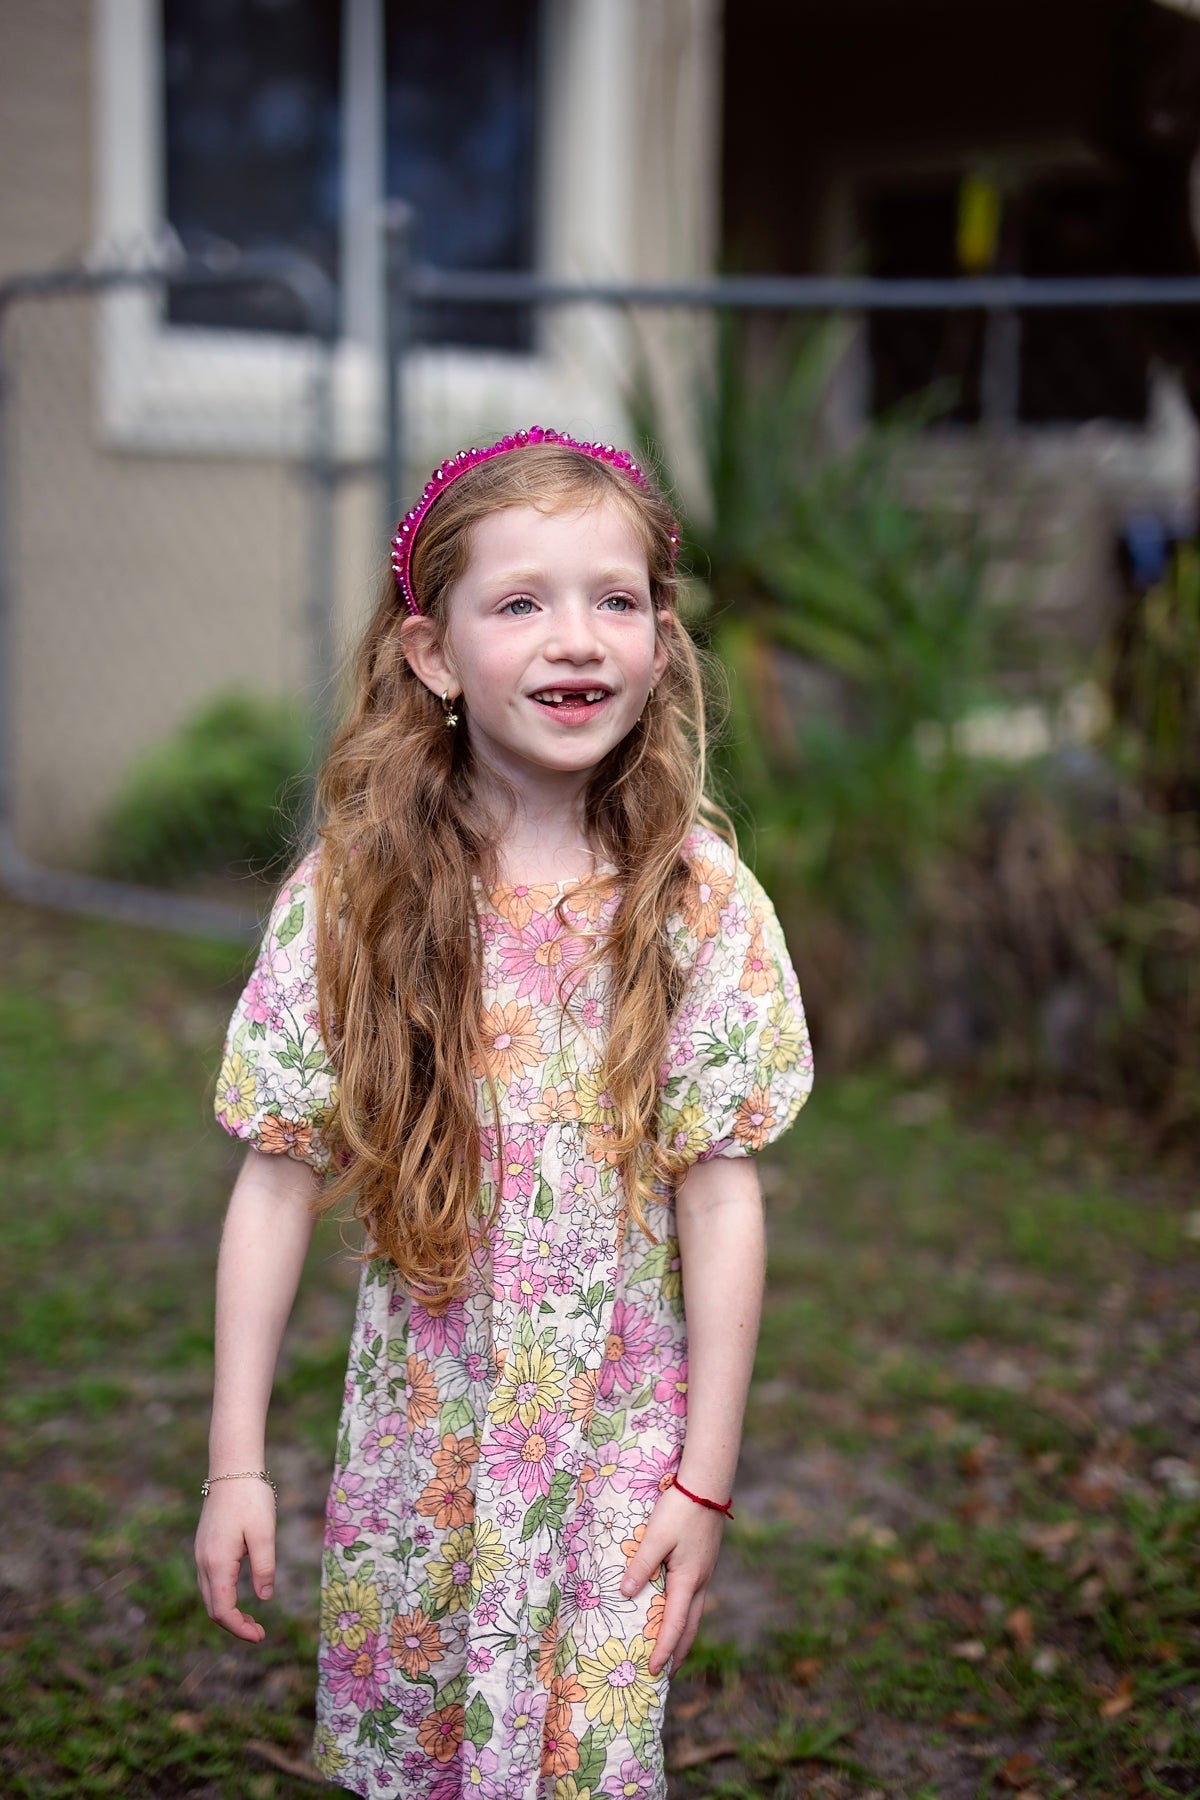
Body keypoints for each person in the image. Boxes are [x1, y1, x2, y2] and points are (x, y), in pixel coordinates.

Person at [196, 426, 813, 1800]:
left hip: (618, 1437)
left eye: (616, 599)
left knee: (585, 1760)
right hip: (427, 1437)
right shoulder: (357, 895)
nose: (575, 638)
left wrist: (703, 1481)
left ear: (661, 639)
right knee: (422, 1753)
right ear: (432, 654)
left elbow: (721, 1196)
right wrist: (235, 1466)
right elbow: (275, 1179)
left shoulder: (699, 902)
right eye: (520, 602)